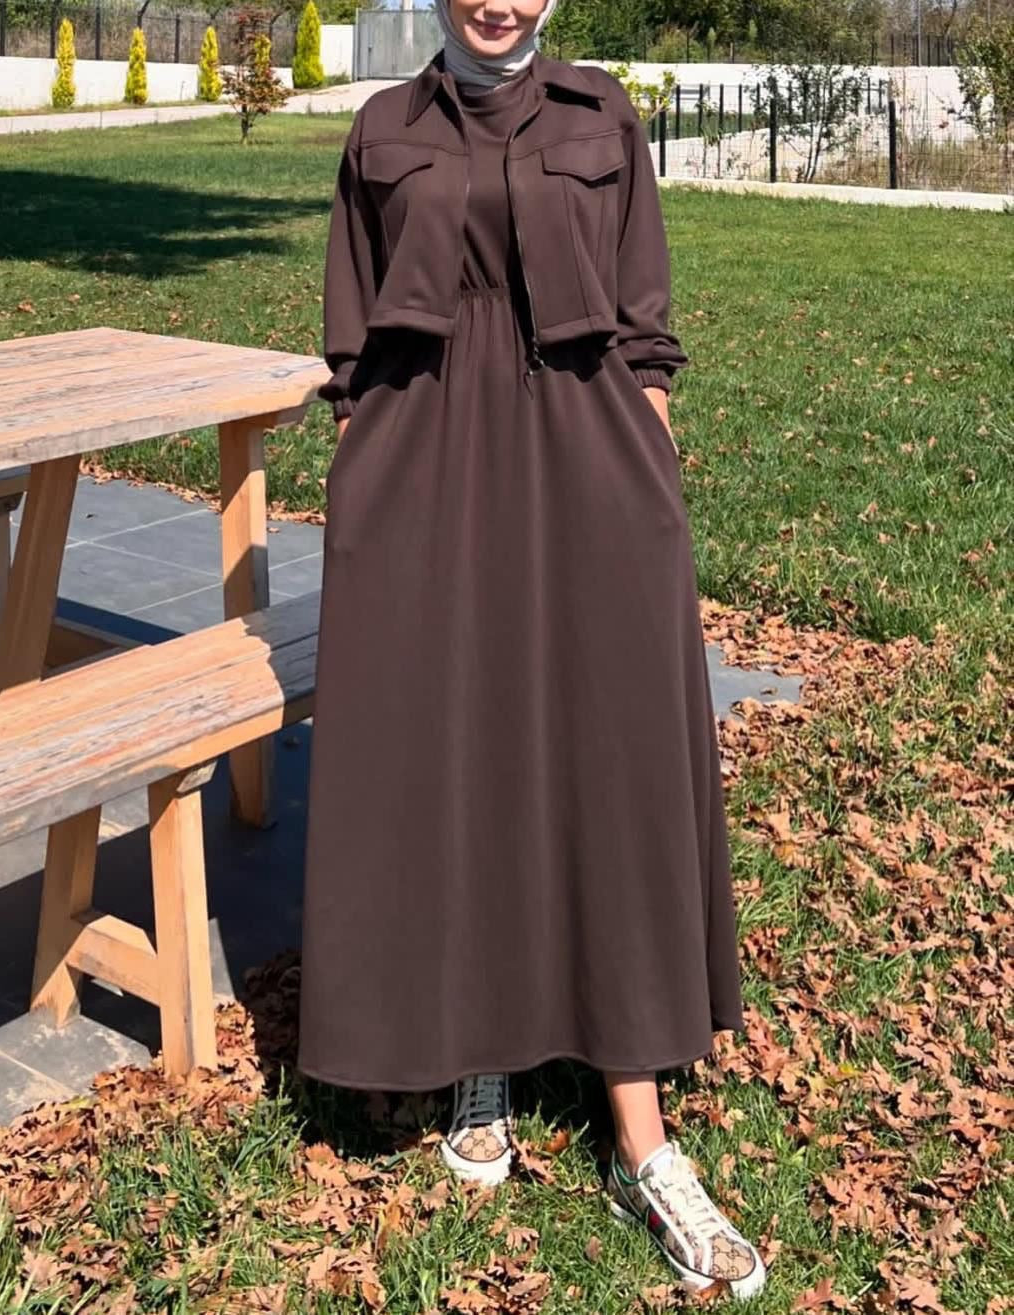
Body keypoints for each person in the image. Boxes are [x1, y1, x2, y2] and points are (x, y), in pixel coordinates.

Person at [297, 0, 765, 1299]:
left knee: (606, 751)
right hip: (427, 461)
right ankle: (477, 1054)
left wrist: (648, 426)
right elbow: (353, 329)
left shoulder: (601, 113)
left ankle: (643, 1136)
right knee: (452, 738)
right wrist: (364, 465)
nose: (497, 2)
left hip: (585, 455)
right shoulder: (382, 127)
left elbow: (645, 311)